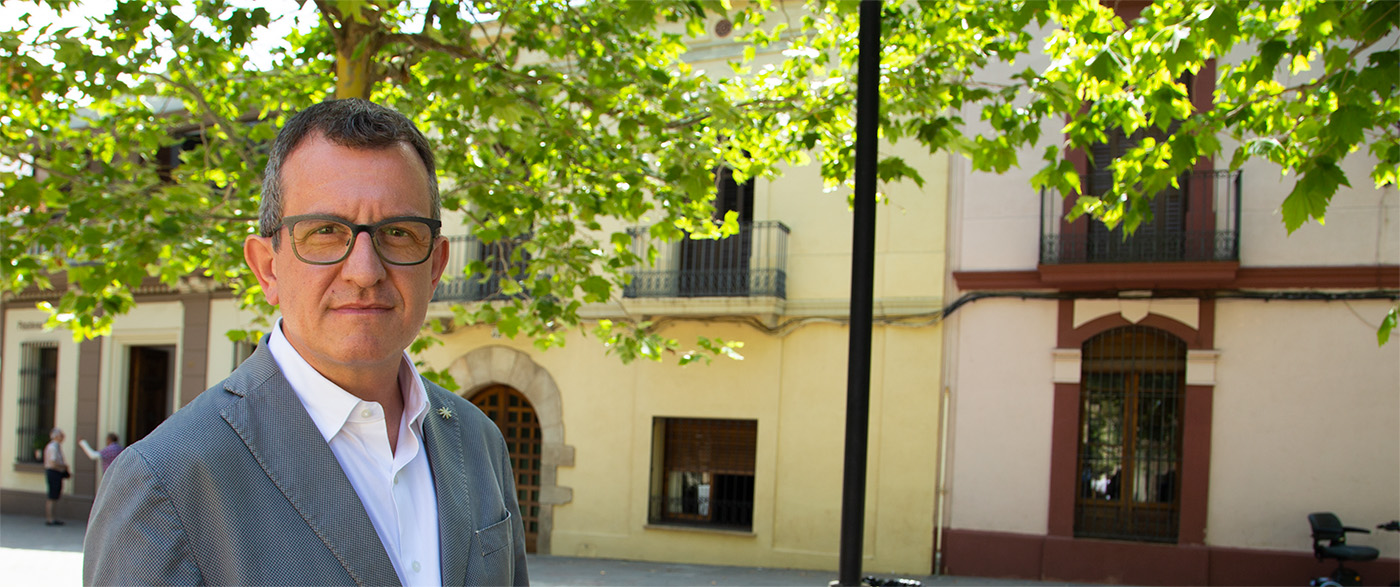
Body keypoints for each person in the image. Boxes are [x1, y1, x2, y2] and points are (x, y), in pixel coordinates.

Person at [84, 99, 529, 586]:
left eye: (398, 233)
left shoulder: (478, 440)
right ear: (267, 268)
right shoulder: (167, 481)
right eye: (324, 232)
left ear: (436, 266)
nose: (365, 271)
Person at [43, 427, 69, 526]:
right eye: (61, 435)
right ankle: (50, 519)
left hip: (55, 472)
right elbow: (53, 463)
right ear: (56, 436)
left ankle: (52, 518)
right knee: (52, 496)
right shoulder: (53, 447)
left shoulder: (56, 447)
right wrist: (64, 466)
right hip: (53, 472)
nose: (63, 437)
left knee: (54, 496)